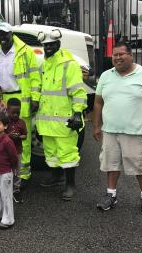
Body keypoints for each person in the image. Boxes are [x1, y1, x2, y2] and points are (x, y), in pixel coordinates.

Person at [93, 41, 142, 217]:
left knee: (140, 166)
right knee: (111, 163)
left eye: (121, 54)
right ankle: (111, 195)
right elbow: (98, 102)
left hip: (135, 132)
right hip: (110, 131)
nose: (117, 58)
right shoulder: (105, 76)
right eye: (114, 55)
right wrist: (96, 126)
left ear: (131, 55)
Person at [0, 22, 41, 186]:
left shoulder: (25, 51)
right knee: (2, 137)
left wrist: (35, 98)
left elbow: (35, 76)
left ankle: (22, 176)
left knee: (22, 139)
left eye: (5, 34)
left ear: (12, 34)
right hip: (2, 99)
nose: (2, 38)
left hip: (20, 99)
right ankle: (6, 172)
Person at [36, 29, 87, 200]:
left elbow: (78, 91)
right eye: (45, 45)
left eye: (51, 45)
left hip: (65, 120)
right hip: (46, 120)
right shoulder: (44, 65)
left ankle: (70, 185)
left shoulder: (69, 64)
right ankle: (56, 177)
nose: (48, 48)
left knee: (67, 153)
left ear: (58, 44)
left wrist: (78, 113)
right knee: (50, 152)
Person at [6, 98, 27, 203]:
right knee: (6, 171)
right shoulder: (4, 121)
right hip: (5, 152)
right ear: (7, 110)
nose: (15, 115)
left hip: (17, 151)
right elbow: (0, 134)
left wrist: (19, 137)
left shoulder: (22, 122)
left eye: (17, 113)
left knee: (17, 172)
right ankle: (5, 189)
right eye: (13, 112)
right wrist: (9, 136)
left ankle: (16, 190)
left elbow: (25, 136)